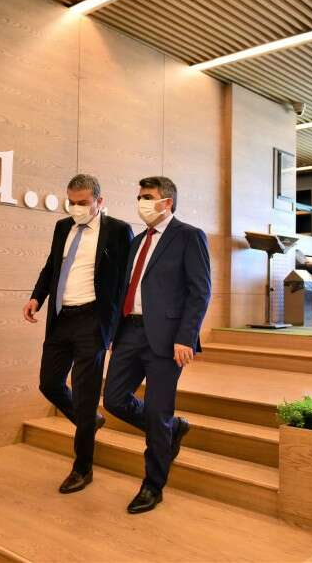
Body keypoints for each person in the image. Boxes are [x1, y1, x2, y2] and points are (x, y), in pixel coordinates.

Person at [103, 176, 211, 514]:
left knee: (157, 410)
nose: (141, 202)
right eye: (139, 196)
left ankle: (153, 486)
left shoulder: (189, 236)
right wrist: (114, 333)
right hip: (130, 333)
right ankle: (171, 430)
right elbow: (127, 289)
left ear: (167, 201)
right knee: (114, 399)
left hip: (167, 339)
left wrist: (186, 337)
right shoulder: (137, 241)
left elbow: (200, 291)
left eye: (147, 197)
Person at [24, 174, 133, 494]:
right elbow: (51, 267)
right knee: (49, 383)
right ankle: (89, 421)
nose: (76, 208)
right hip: (61, 319)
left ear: (99, 201)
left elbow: (126, 281)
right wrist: (36, 297)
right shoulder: (62, 227)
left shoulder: (118, 230)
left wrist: (116, 328)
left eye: (83, 203)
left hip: (93, 320)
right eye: (71, 202)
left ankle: (82, 468)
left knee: (85, 396)